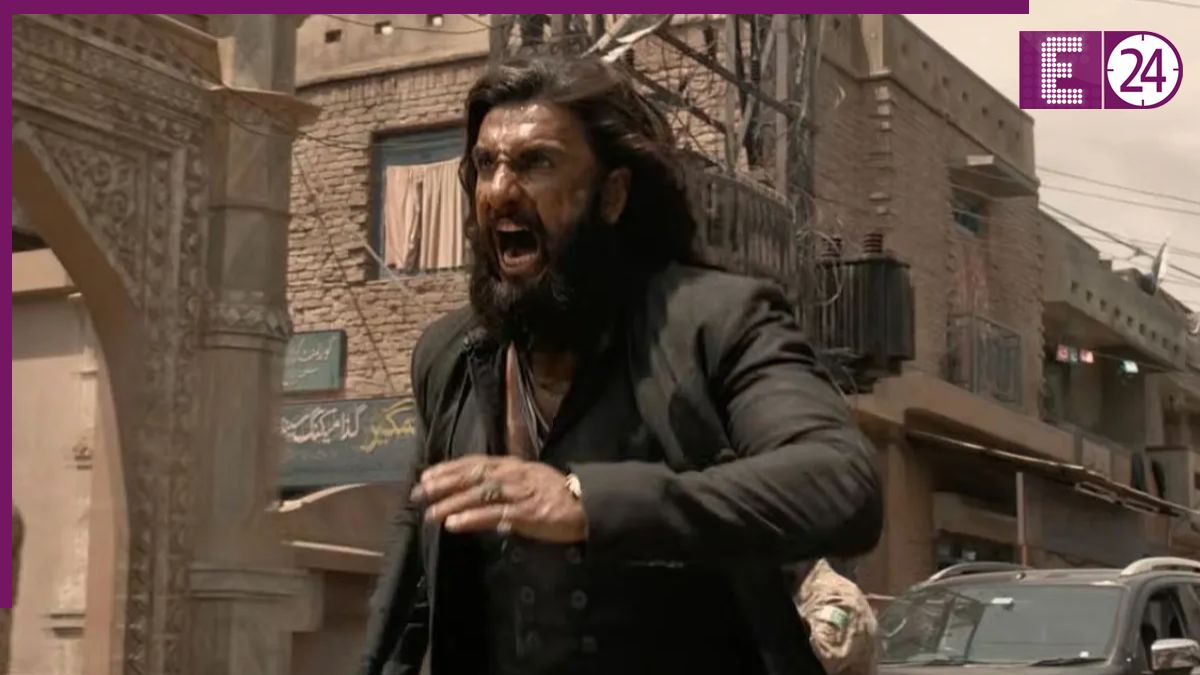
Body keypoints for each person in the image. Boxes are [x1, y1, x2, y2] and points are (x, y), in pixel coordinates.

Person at [360, 56, 882, 675]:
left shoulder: (714, 323)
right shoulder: (451, 356)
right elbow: (417, 568)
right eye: (485, 164)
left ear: (612, 195)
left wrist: (588, 501)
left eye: (536, 163)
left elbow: (841, 482)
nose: (498, 190)